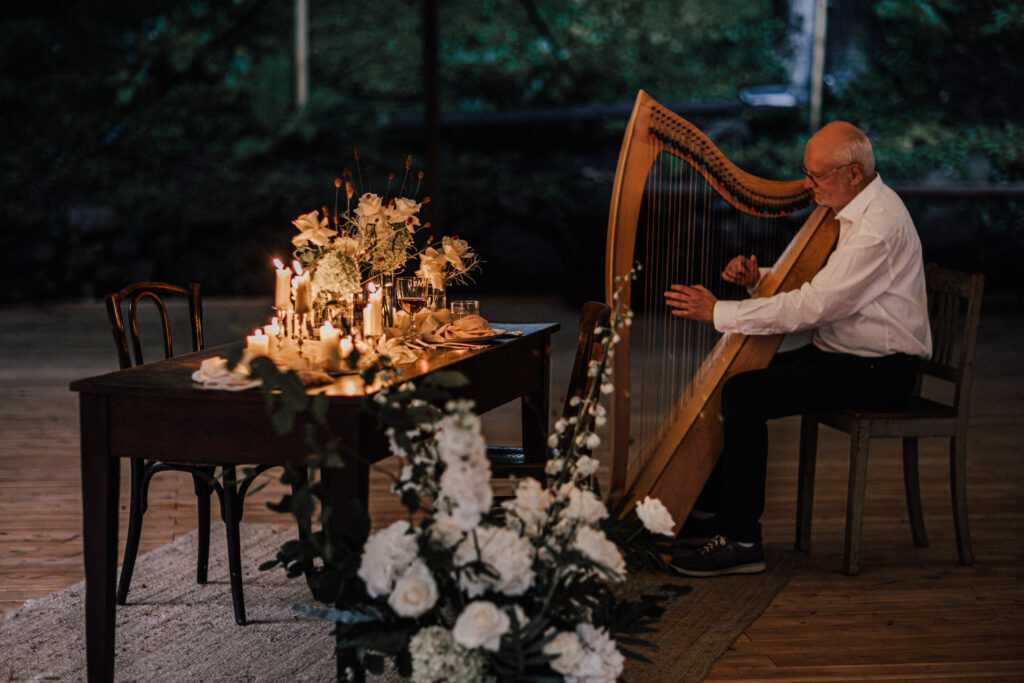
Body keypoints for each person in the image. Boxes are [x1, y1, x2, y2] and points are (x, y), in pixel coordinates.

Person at [662, 121, 932, 577]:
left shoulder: (876, 227)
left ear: (852, 174)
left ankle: (743, 539)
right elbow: (825, 285)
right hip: (843, 356)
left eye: (816, 176)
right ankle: (711, 509)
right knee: (737, 383)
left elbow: (815, 304)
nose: (805, 185)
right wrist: (758, 280)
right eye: (806, 173)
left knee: (747, 394)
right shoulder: (850, 210)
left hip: (880, 372)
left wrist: (719, 313)